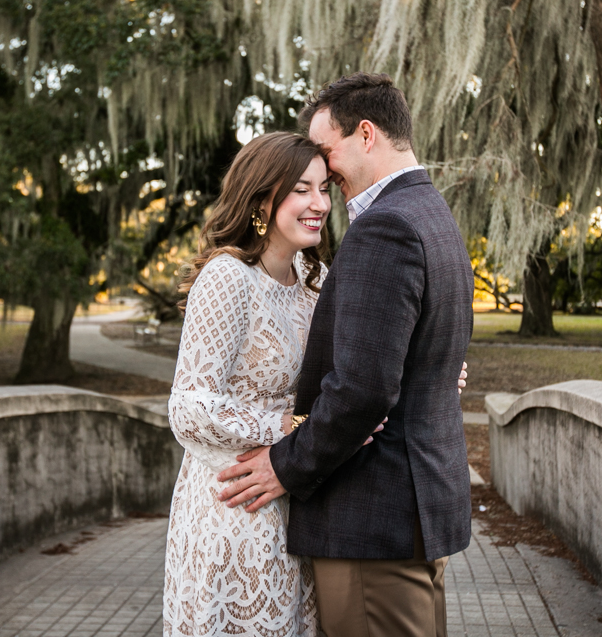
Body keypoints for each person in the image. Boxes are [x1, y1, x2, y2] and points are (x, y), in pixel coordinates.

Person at [217, 72, 474, 637]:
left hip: (373, 516)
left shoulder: (385, 227)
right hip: (415, 510)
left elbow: (363, 389)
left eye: (326, 151)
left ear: (365, 134)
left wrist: (286, 465)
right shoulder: (432, 212)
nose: (324, 170)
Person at [162, 131, 333, 636]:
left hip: (292, 497)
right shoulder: (229, 277)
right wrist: (283, 424)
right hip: (233, 508)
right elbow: (189, 406)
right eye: (302, 189)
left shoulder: (310, 278)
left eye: (324, 189)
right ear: (263, 199)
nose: (319, 204)